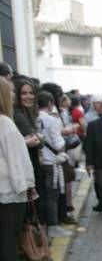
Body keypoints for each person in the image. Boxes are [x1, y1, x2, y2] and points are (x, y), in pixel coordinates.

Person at [0, 77, 46, 261]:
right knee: (9, 235)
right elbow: (15, 160)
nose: (13, 96)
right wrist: (26, 187)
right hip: (9, 189)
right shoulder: (6, 123)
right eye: (10, 92)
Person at [36, 91, 71, 238]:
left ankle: (46, 226)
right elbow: (58, 143)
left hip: (39, 161)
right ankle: (53, 225)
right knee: (52, 196)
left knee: (43, 196)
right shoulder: (52, 120)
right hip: (52, 162)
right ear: (50, 103)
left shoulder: (33, 117)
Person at [12, 78, 44, 225]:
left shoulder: (25, 113)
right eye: (24, 93)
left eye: (31, 93)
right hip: (25, 167)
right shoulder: (18, 114)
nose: (29, 96)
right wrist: (38, 138)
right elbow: (38, 142)